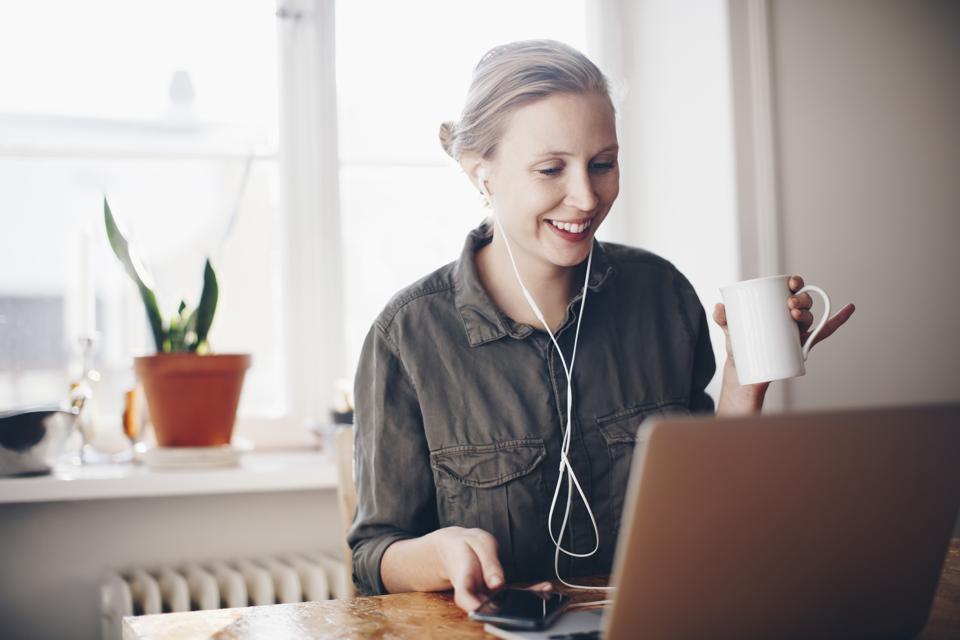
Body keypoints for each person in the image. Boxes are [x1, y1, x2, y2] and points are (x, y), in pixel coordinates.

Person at [347, 39, 855, 613]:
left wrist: (747, 374)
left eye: (603, 163)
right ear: (479, 172)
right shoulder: (407, 337)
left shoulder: (662, 295)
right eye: (550, 169)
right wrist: (442, 552)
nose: (587, 197)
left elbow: (707, 511)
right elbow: (373, 557)